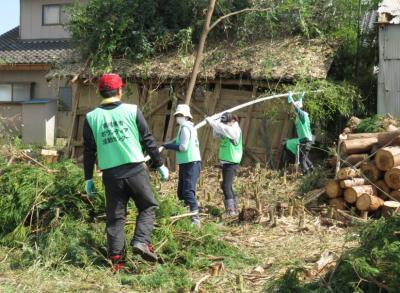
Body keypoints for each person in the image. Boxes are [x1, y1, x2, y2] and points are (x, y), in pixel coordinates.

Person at [83, 73, 169, 270]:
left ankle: (117, 262)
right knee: (147, 207)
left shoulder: (91, 117)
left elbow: (88, 151)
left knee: (115, 218)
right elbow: (147, 139)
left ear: (99, 92)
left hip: (111, 176)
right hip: (135, 170)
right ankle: (141, 241)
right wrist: (160, 164)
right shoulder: (132, 110)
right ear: (120, 91)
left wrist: (88, 179)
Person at [162, 104, 202, 226]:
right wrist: (169, 143)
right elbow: (179, 141)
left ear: (186, 116)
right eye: (177, 115)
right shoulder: (185, 127)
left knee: (188, 192)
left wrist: (168, 146)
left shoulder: (185, 128)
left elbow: (183, 147)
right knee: (181, 192)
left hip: (191, 163)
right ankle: (183, 215)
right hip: (186, 163)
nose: (178, 117)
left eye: (180, 115)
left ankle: (195, 220)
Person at [206, 112, 243, 217]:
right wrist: (215, 120)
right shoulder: (226, 128)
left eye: (226, 123)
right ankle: (235, 207)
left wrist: (214, 123)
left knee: (226, 186)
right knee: (227, 185)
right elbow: (216, 133)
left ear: (232, 121)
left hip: (232, 162)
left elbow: (225, 129)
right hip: (226, 162)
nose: (225, 125)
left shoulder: (235, 130)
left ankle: (231, 211)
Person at [286, 92, 314, 174]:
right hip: (305, 139)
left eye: (293, 108)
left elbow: (296, 107)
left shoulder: (302, 115)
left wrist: (291, 99)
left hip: (305, 140)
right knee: (304, 158)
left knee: (302, 160)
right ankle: (313, 171)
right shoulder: (301, 116)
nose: (292, 109)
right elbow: (297, 107)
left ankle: (307, 175)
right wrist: (301, 97)